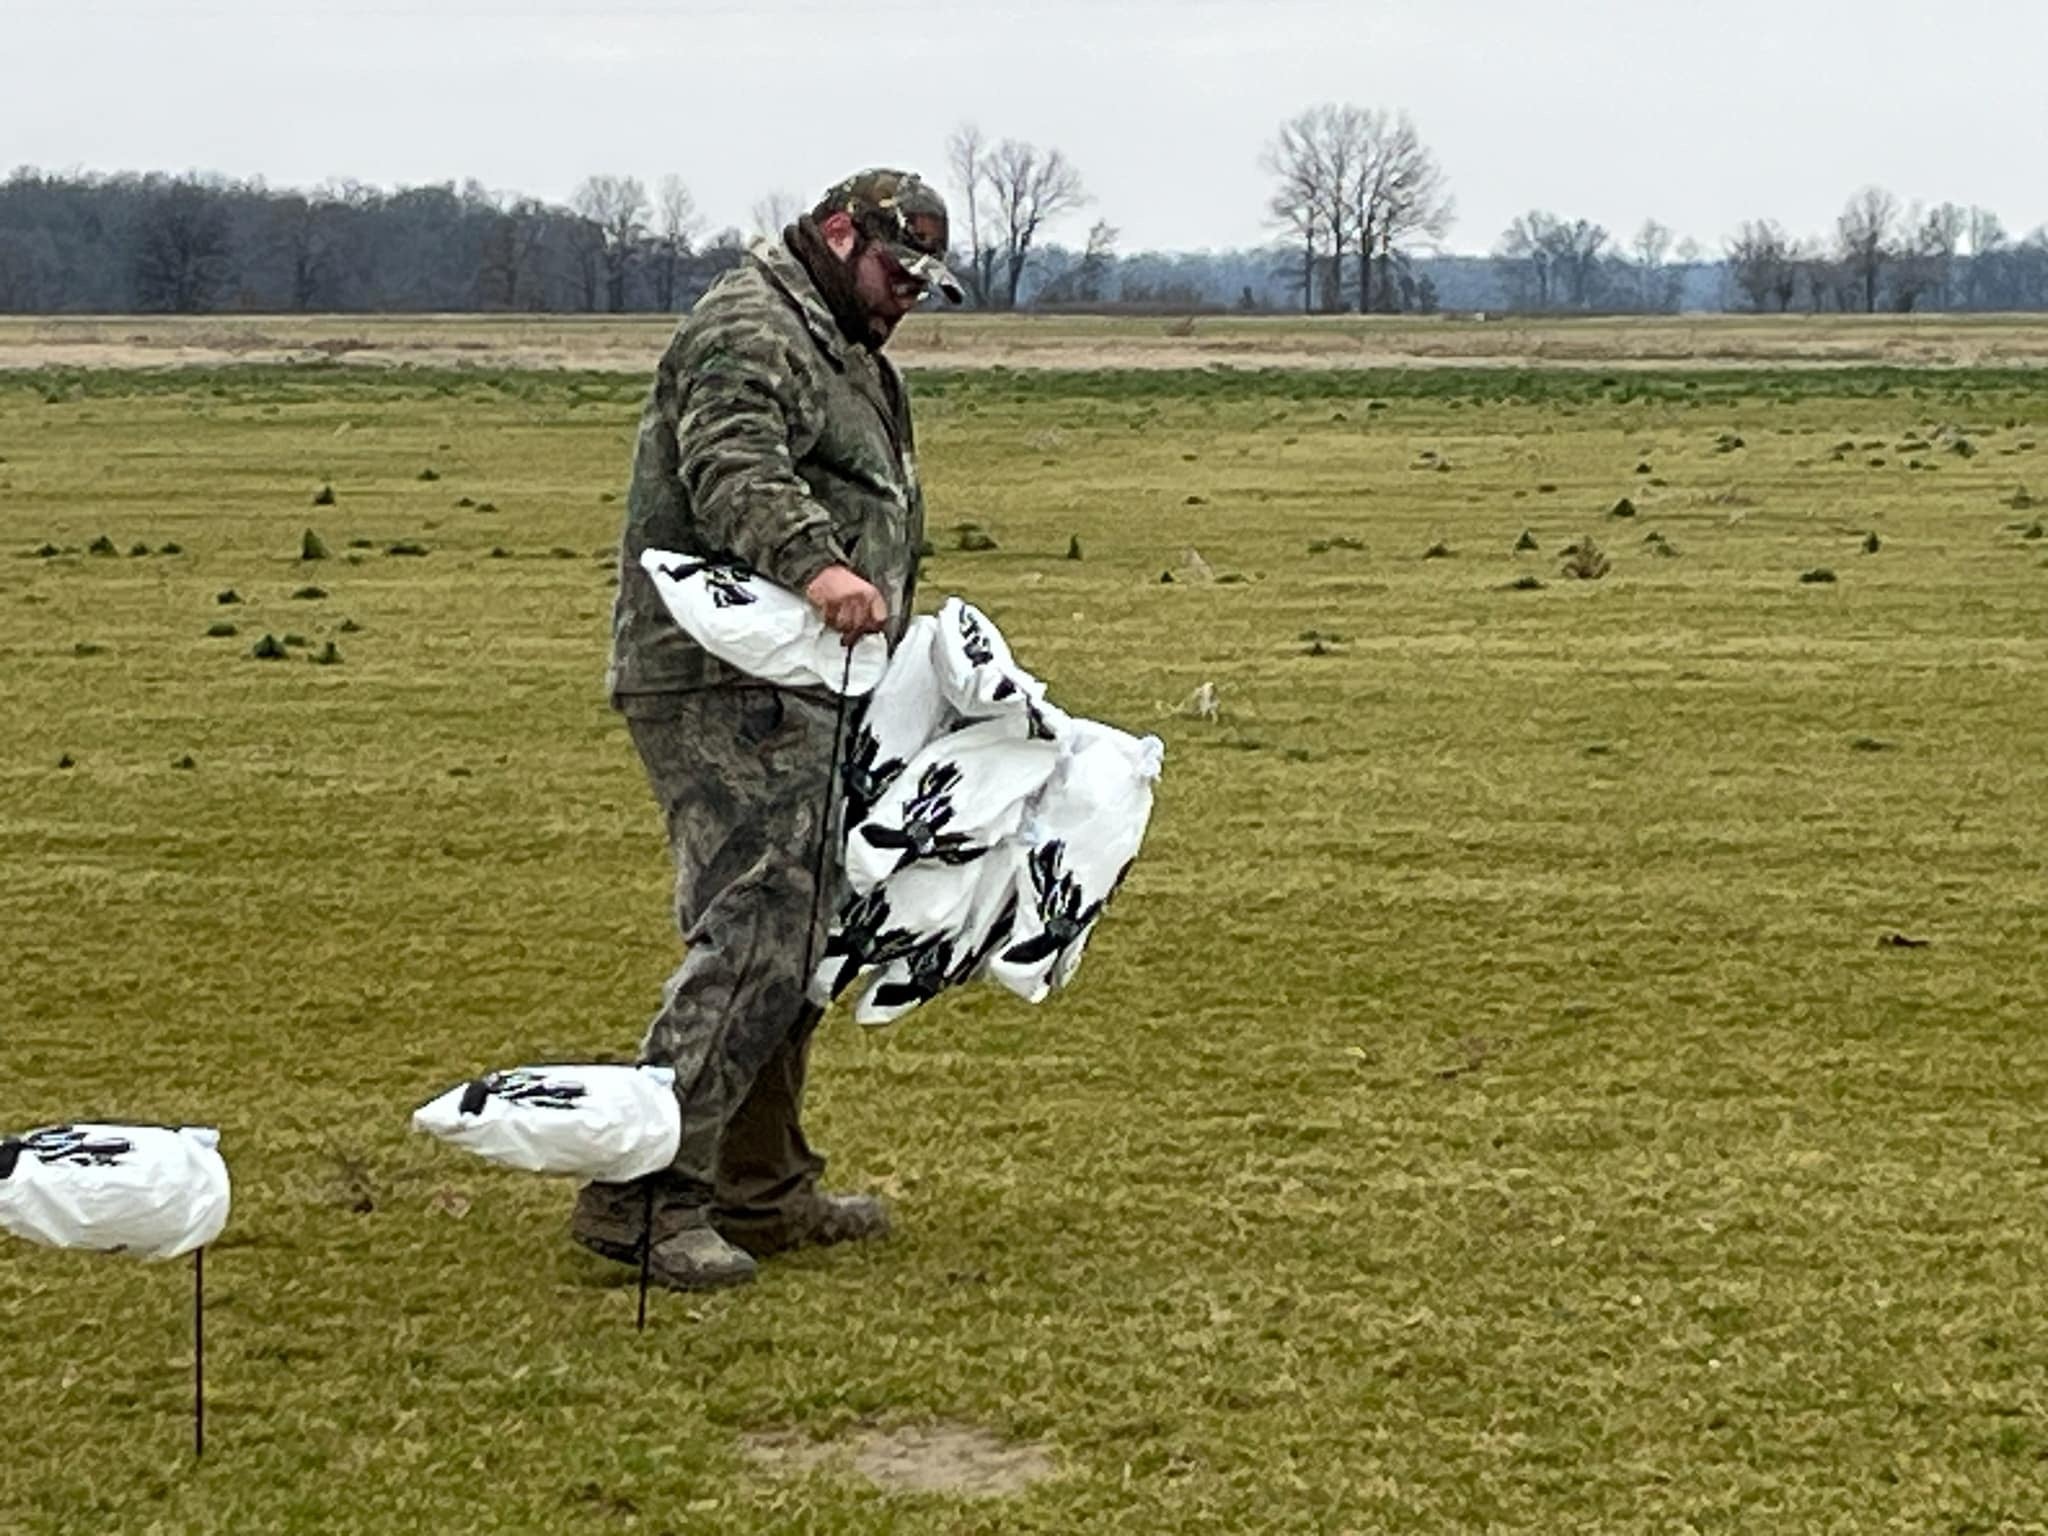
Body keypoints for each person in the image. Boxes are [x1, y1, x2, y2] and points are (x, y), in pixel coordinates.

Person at [572, 170, 964, 1291]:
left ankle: (760, 1184)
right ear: (842, 236)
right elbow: (733, 465)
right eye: (896, 276)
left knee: (802, 925)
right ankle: (640, 1195)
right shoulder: (749, 328)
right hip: (715, 677)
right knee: (757, 917)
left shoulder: (838, 341)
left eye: (922, 289)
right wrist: (821, 566)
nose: (902, 304)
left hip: (808, 682)